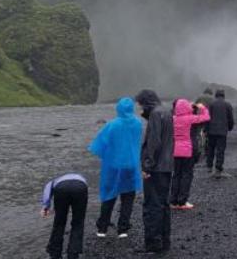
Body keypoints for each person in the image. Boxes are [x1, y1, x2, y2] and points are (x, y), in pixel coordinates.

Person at [88, 97, 143, 239]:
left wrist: (107, 155)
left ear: (118, 108)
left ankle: (102, 229)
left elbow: (100, 145)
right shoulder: (138, 123)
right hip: (131, 165)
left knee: (108, 196)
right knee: (128, 198)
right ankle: (123, 229)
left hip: (113, 165)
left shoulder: (112, 125)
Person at [135, 89, 174, 255]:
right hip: (166, 166)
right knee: (164, 204)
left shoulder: (156, 115)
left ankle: (152, 244)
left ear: (146, 102)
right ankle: (165, 241)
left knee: (152, 206)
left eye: (140, 104)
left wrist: (147, 166)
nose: (139, 108)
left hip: (156, 168)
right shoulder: (165, 111)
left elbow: (154, 142)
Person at [171, 98, 210, 209]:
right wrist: (202, 108)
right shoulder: (189, 118)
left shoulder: (173, 118)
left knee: (176, 175)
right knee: (186, 175)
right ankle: (182, 201)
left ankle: (173, 200)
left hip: (175, 151)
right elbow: (206, 117)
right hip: (187, 150)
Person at [40, 173, 88, 259]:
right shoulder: (81, 178)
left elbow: (47, 190)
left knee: (59, 222)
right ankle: (73, 253)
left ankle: (55, 253)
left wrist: (45, 207)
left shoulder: (55, 181)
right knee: (78, 223)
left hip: (61, 189)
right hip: (80, 188)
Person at [206, 89, 235, 178]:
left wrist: (206, 129)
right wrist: (230, 127)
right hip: (222, 131)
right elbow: (230, 118)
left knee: (210, 148)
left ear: (216, 95)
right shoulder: (228, 105)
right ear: (223, 95)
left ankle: (209, 166)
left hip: (211, 131)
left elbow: (207, 117)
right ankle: (218, 168)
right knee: (220, 150)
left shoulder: (211, 104)